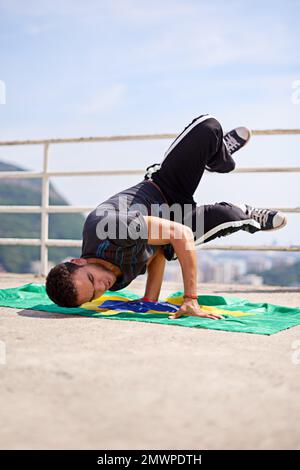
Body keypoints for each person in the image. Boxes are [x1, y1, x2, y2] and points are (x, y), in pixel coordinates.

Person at [46, 114, 287, 320]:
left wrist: (190, 299)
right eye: (93, 295)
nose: (101, 288)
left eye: (91, 279)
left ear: (78, 261)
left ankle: (217, 156)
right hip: (178, 222)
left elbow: (178, 234)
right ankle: (246, 214)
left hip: (165, 187)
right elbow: (155, 252)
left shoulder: (108, 229)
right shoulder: (112, 280)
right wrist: (150, 298)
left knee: (208, 126)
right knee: (230, 215)